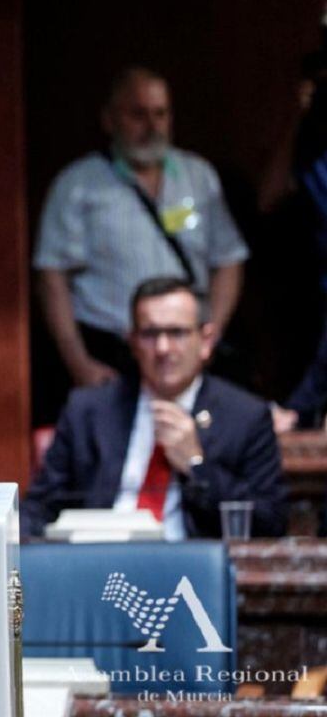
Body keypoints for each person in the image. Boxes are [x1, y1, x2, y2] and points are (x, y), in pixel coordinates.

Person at [22, 277, 288, 540]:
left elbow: (269, 522)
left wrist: (196, 465)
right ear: (133, 341)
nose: (163, 348)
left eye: (177, 333)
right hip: (99, 563)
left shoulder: (245, 416)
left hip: (190, 572)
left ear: (206, 340)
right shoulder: (89, 410)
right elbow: (39, 507)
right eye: (150, 334)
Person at [33, 67, 248, 393]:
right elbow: (51, 277)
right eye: (138, 114)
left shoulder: (198, 176)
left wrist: (209, 336)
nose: (152, 126)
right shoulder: (78, 185)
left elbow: (229, 258)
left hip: (187, 352)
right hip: (112, 355)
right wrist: (79, 363)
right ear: (109, 119)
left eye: (160, 114)